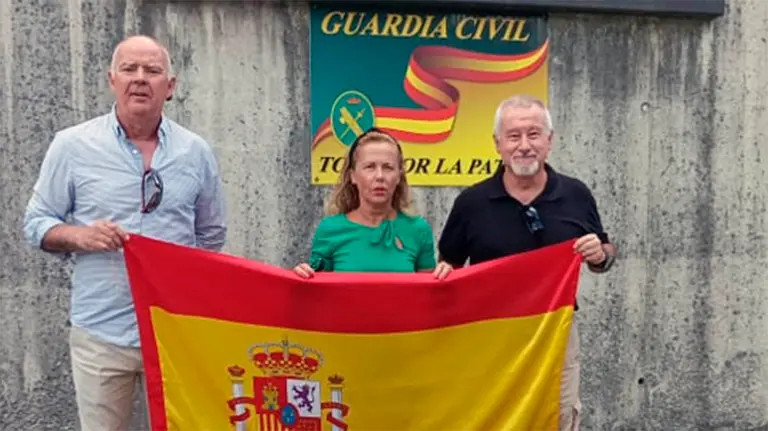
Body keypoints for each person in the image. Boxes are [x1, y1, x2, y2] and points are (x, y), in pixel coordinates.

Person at [22, 35, 227, 431]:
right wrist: (80, 237)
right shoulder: (72, 145)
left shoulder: (195, 152)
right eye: (130, 69)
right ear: (111, 79)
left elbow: (210, 235)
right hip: (101, 332)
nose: (140, 79)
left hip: (175, 334)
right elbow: (36, 222)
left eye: (152, 71)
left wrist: (180, 281)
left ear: (170, 87)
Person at [437, 94, 616, 431]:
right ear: (497, 144)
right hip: (491, 336)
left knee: (558, 416)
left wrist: (601, 255)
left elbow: (603, 254)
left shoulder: (577, 194)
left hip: (556, 334)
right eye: (513, 136)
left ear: (550, 141)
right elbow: (449, 265)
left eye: (534, 134)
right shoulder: (471, 203)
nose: (524, 146)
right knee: (493, 416)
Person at [293, 128, 452, 279]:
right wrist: (302, 278)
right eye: (370, 167)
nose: (380, 176)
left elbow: (429, 297)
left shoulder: (418, 230)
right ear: (352, 176)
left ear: (399, 176)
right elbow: (318, 296)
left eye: (388, 167)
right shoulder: (330, 229)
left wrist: (447, 278)